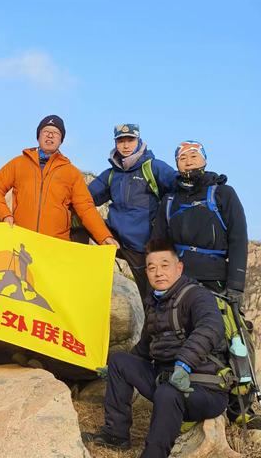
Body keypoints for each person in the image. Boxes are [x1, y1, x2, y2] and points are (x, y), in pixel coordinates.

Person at [82, 239, 229, 458]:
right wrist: (113, 370)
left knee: (168, 393)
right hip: (167, 382)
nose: (158, 272)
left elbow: (211, 326)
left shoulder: (197, 296)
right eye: (151, 267)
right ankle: (116, 435)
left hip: (203, 389)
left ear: (179, 268)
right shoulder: (154, 303)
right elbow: (144, 349)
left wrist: (184, 364)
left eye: (164, 265)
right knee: (120, 361)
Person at [150, 140, 257, 428]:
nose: (188, 161)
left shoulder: (223, 194)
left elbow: (237, 238)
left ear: (204, 160)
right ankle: (178, 400)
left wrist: (235, 285)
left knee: (234, 338)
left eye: (193, 156)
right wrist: (158, 284)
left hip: (216, 281)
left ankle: (242, 406)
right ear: (177, 164)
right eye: (182, 157)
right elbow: (160, 245)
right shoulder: (169, 201)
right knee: (178, 335)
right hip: (179, 281)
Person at [0, 114, 117, 246]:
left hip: (55, 247)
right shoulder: (18, 163)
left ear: (61, 140)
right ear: (38, 136)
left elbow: (86, 207)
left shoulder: (71, 172)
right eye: (46, 131)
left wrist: (104, 236)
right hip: (21, 242)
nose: (50, 135)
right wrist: (5, 215)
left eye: (56, 133)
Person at [88, 124, 177, 301]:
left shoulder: (153, 167)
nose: (126, 145)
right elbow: (86, 199)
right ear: (115, 143)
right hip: (115, 239)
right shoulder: (111, 174)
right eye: (121, 141)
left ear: (138, 141)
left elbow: (179, 185)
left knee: (151, 298)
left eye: (130, 140)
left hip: (143, 245)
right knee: (78, 223)